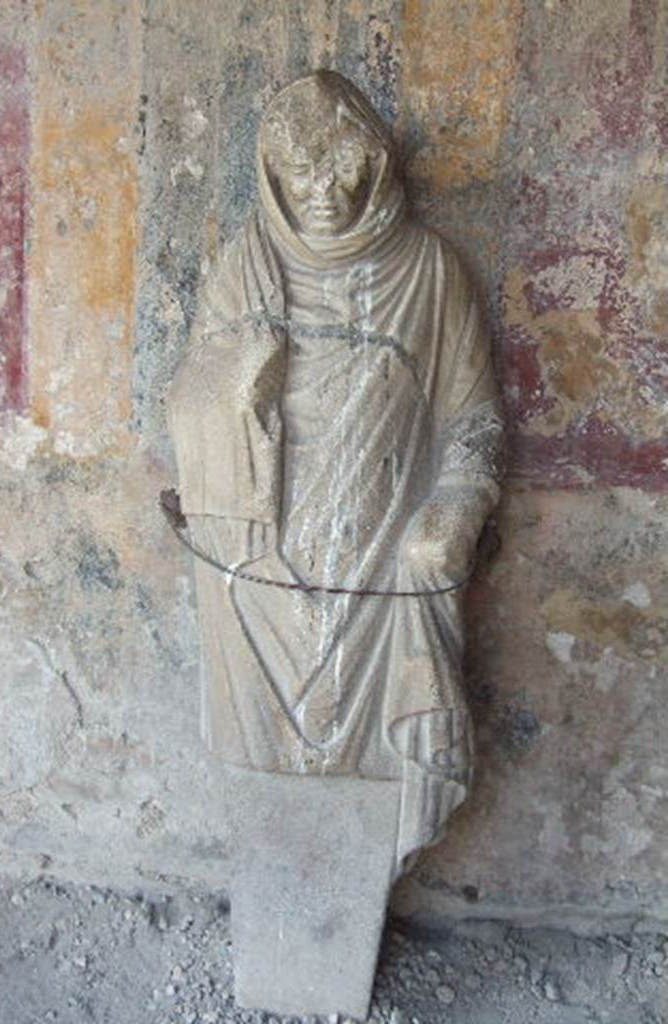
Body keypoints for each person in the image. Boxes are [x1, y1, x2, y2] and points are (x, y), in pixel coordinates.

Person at [167, 70, 502, 861]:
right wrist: (236, 381)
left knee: (375, 725)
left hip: (381, 544)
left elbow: (474, 417)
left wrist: (457, 501)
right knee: (264, 749)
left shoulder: (430, 271)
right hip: (255, 552)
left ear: (377, 164)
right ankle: (281, 872)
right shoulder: (242, 272)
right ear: (271, 175)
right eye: (299, 171)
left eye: (339, 168)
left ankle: (369, 858)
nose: (322, 192)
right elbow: (190, 402)